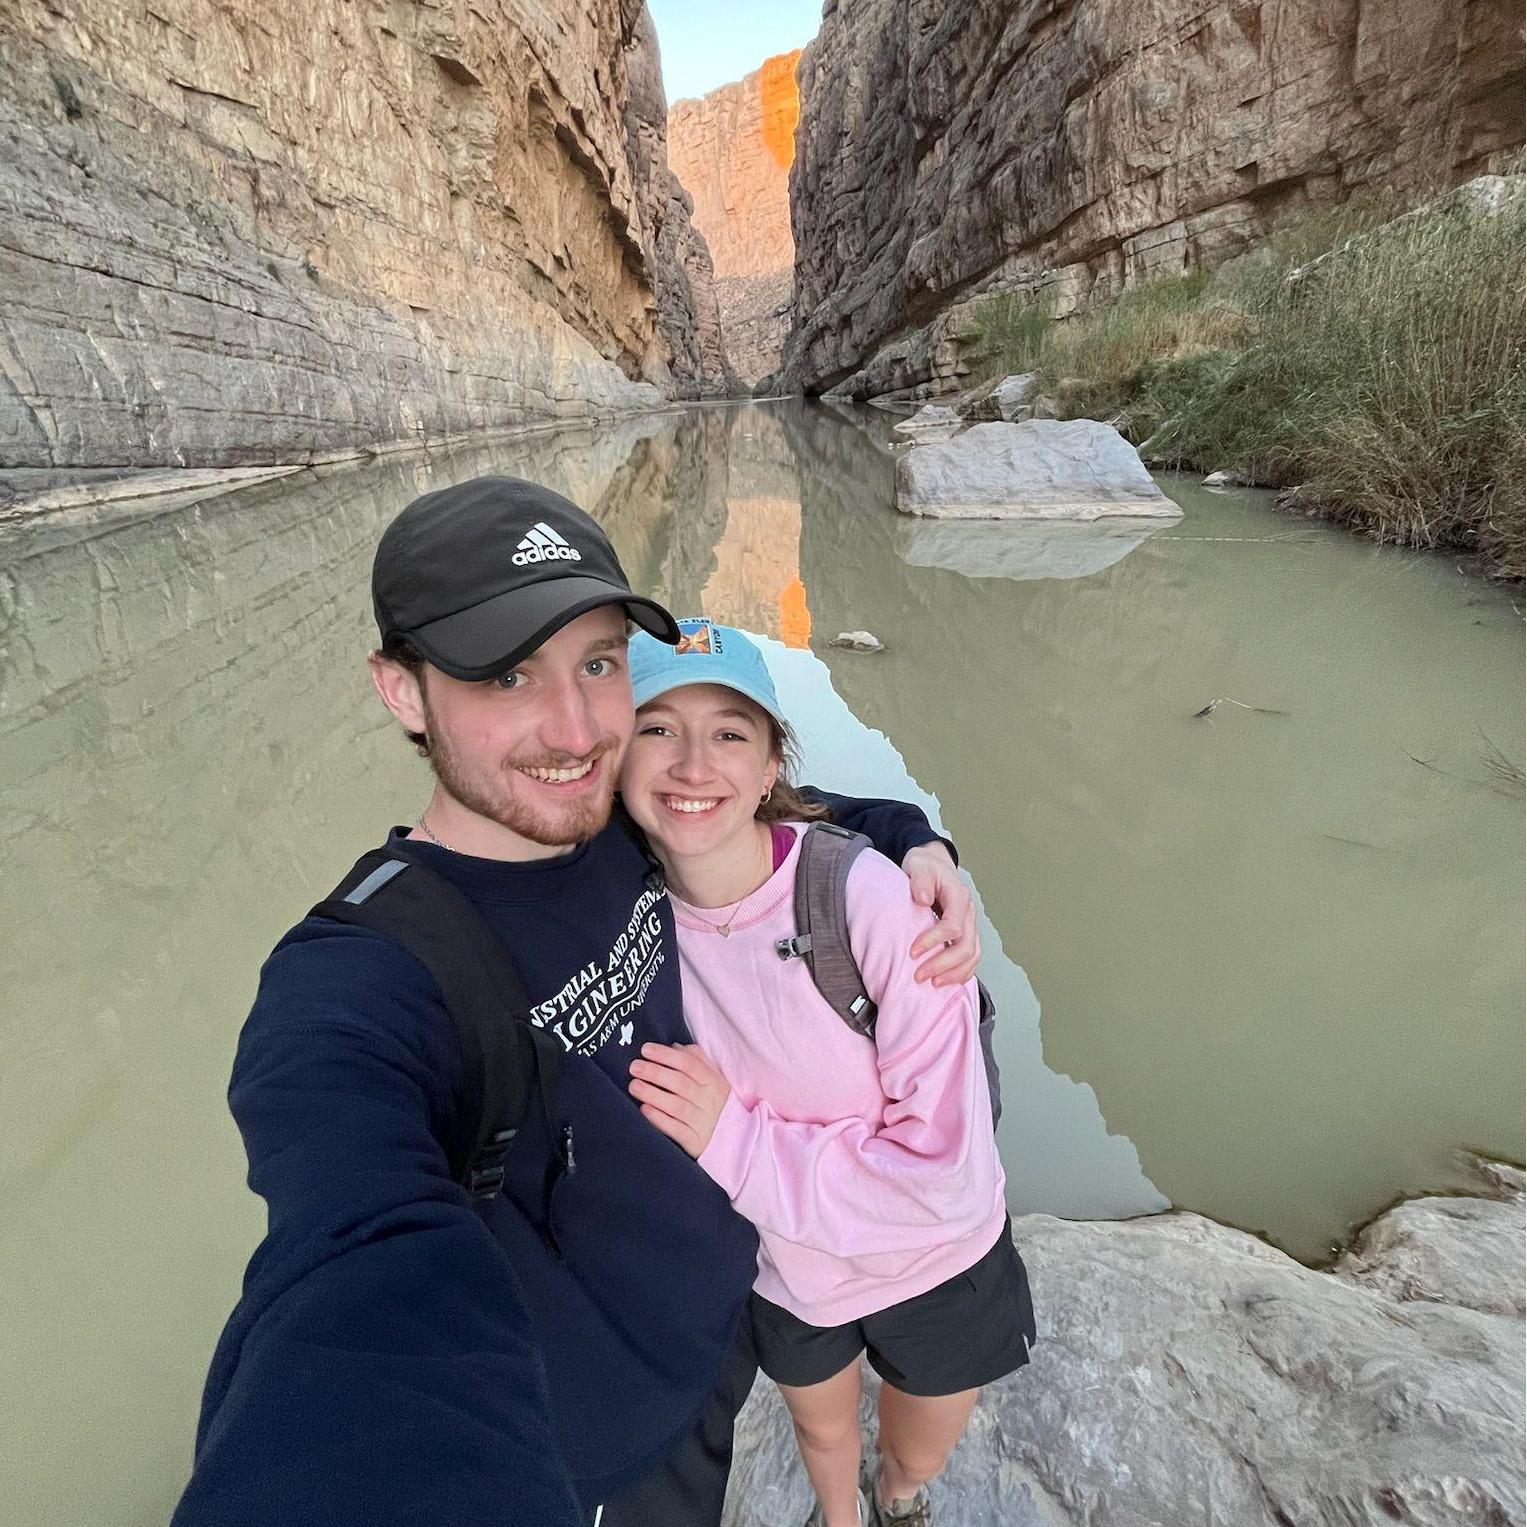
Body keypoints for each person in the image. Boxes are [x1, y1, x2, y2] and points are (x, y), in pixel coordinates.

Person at [173, 476, 982, 1527]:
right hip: (597, 1450)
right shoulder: (359, 981)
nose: (575, 730)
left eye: (598, 663)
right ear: (402, 691)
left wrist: (915, 837)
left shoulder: (614, 821)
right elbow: (352, 1263)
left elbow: (773, 808)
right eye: (508, 674)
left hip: (733, 1322)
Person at [619, 620, 1036, 1527]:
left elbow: (941, 1176)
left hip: (933, 1262)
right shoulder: (618, 918)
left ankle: (897, 1497)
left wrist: (735, 1141)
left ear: (772, 764)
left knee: (917, 1447)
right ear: (614, 754)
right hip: (788, 1267)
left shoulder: (871, 903)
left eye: (730, 732)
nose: (692, 764)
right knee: (821, 1430)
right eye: (655, 728)